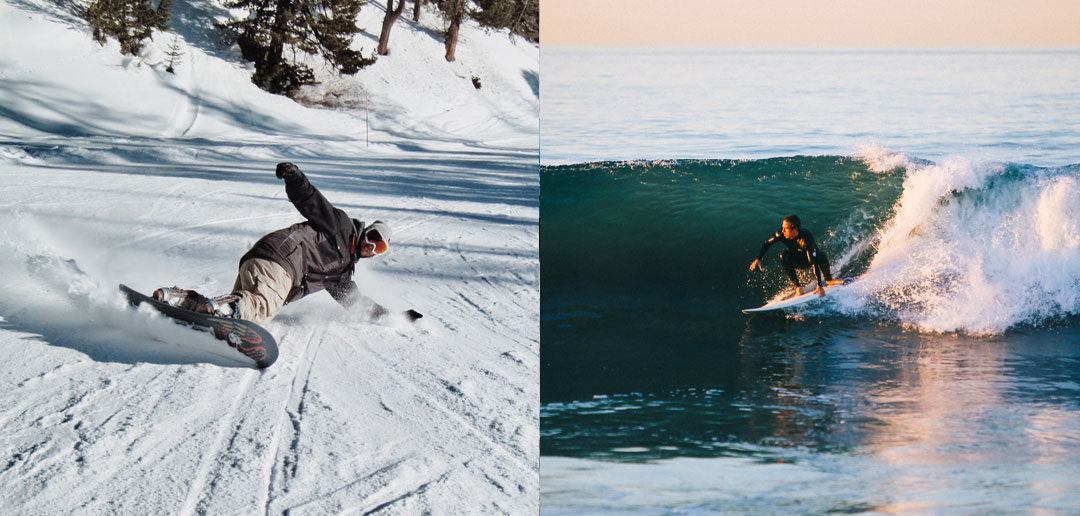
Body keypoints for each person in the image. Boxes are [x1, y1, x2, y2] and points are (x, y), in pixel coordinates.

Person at [153, 162, 415, 325]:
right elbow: (312, 202)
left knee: (244, 308)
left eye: (379, 248)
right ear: (366, 232)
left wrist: (392, 316)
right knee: (261, 310)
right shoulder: (341, 227)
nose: (371, 247)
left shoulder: (341, 275)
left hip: (262, 259)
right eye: (372, 238)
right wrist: (295, 178)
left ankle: (181, 300)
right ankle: (224, 308)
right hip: (282, 262)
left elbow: (356, 303)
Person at [748, 214, 843, 299]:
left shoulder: (805, 239)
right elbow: (767, 243)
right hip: (798, 260)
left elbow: (813, 262)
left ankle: (829, 280)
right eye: (782, 227)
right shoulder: (781, 234)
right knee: (784, 255)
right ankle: (798, 287)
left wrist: (819, 285)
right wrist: (758, 259)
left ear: (795, 229)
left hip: (813, 260)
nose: (783, 230)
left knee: (820, 255)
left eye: (786, 228)